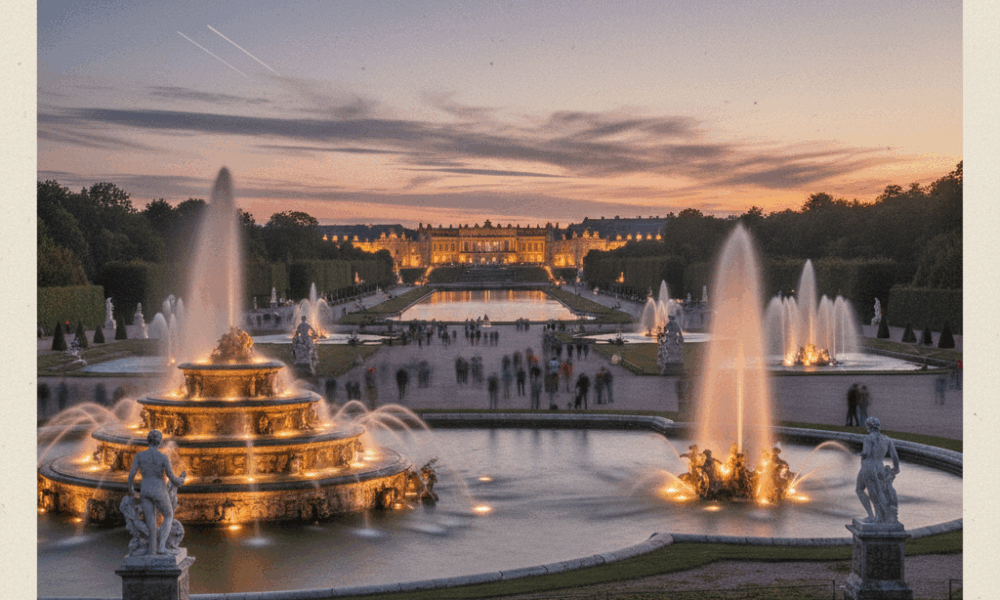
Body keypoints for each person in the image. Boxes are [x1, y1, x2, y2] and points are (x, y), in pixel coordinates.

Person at [126, 430, 187, 555]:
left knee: (151, 522)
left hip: (145, 489)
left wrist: (130, 489)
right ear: (159, 442)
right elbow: (171, 477)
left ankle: (152, 550)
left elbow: (131, 475)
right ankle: (161, 547)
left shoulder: (139, 456)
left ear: (148, 440)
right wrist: (180, 480)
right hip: (159, 489)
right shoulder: (163, 457)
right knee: (169, 515)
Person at [855, 417, 900, 523]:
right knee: (866, 490)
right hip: (879, 466)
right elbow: (895, 457)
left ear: (869, 426)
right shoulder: (887, 439)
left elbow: (867, 453)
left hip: (868, 466)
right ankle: (874, 516)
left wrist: (857, 454)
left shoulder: (868, 438)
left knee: (872, 492)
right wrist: (896, 468)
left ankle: (877, 516)